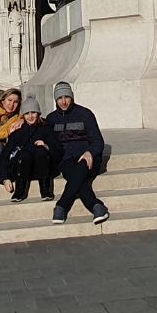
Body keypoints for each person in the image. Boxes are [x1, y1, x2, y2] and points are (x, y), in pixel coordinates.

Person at [46, 81, 109, 225]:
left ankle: (61, 205)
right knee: (76, 178)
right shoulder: (51, 119)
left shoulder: (85, 114)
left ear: (72, 97)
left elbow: (98, 141)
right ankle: (97, 206)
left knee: (77, 173)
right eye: (60, 98)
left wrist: (90, 152)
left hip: (88, 158)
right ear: (55, 99)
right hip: (67, 160)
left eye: (66, 97)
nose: (63, 101)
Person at [0, 95, 57, 203]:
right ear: (23, 115)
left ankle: (45, 190)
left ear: (38, 113)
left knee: (41, 151)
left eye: (33, 112)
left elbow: (58, 150)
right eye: (27, 113)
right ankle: (19, 191)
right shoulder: (18, 132)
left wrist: (46, 146)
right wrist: (4, 178)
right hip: (22, 168)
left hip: (42, 167)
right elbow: (4, 156)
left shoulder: (46, 128)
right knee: (25, 154)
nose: (30, 117)